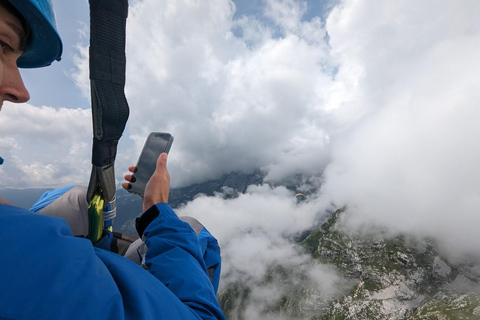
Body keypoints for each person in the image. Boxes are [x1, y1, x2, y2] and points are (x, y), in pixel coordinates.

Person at [0, 1, 226, 319]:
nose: (22, 91)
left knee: (80, 200)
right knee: (194, 232)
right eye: (2, 45)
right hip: (59, 277)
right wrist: (156, 211)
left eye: (16, 59)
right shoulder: (20, 258)